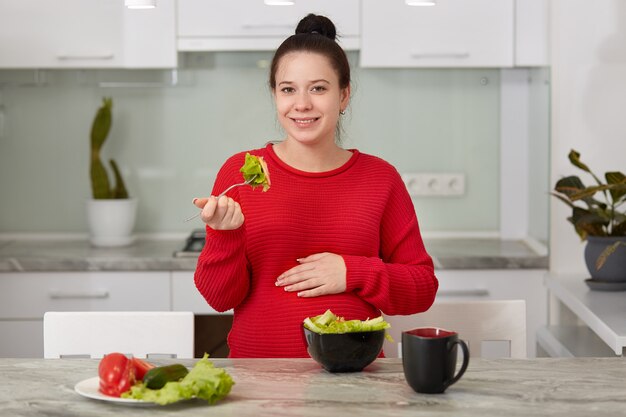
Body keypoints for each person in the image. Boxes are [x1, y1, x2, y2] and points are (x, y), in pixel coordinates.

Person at [192, 14, 438, 358]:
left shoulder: (380, 178)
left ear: (343, 95)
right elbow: (219, 299)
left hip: (357, 382)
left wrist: (353, 271)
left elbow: (422, 289)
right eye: (288, 89)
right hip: (258, 381)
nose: (302, 104)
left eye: (318, 88)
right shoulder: (241, 173)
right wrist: (224, 236)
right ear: (275, 95)